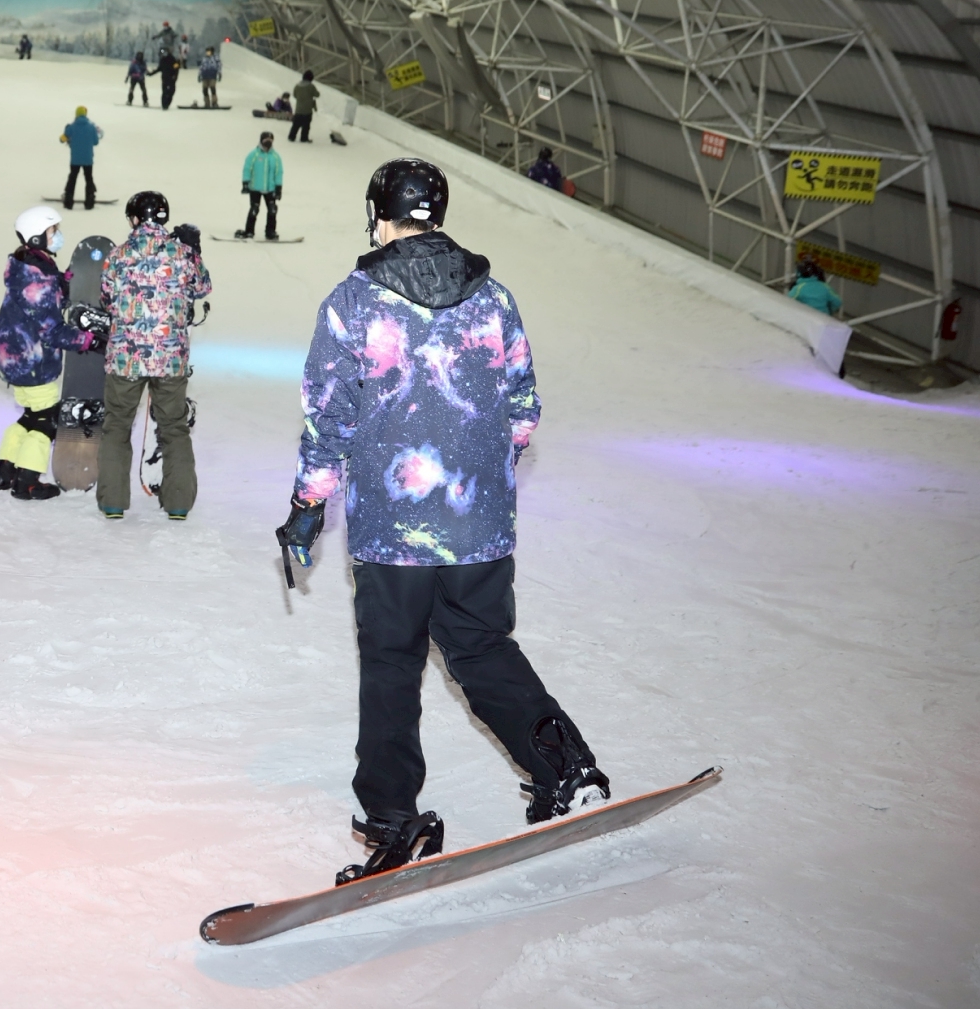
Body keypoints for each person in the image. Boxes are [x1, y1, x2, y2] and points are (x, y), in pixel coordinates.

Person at [276, 158, 608, 883]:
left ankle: (394, 816)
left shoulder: (353, 303)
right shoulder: (495, 299)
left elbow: (328, 418)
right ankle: (566, 766)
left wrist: (308, 505)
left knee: (394, 664)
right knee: (483, 647)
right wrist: (480, 479)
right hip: (478, 527)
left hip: (393, 534)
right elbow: (523, 411)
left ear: (378, 212)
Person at [98, 192, 211, 520]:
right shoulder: (181, 254)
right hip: (170, 358)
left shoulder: (118, 255)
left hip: (126, 358)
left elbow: (106, 297)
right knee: (173, 426)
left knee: (117, 424)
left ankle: (113, 502)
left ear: (135, 218)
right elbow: (202, 287)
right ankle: (178, 503)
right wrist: (193, 251)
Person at [0, 205, 104, 501]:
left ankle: (4, 472)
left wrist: (63, 282)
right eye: (54, 231)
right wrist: (88, 341)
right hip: (31, 359)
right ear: (39, 238)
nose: (59, 236)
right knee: (47, 420)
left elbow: (43, 298)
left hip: (14, 356)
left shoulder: (29, 266)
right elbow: (51, 330)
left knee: (31, 416)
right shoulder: (36, 278)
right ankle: (27, 482)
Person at [238, 131, 283, 239]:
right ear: (261, 141)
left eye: (270, 141)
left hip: (270, 188)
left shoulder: (275, 156)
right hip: (255, 188)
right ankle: (249, 231)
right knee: (254, 209)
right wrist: (245, 183)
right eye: (266, 140)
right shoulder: (254, 154)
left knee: (272, 209)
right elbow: (247, 169)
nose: (268, 143)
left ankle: (270, 232)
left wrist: (278, 187)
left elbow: (279, 172)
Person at [59, 105, 102, 209]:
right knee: (88, 179)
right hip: (88, 159)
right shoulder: (91, 127)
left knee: (72, 178)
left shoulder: (71, 127)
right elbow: (96, 142)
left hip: (75, 159)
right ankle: (90, 201)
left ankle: (68, 201)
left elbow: (62, 139)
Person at [290, 70, 319, 143]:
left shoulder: (297, 85)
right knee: (306, 126)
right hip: (307, 110)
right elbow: (317, 94)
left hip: (298, 109)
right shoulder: (311, 86)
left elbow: (295, 95)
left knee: (296, 124)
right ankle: (304, 138)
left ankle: (291, 137)